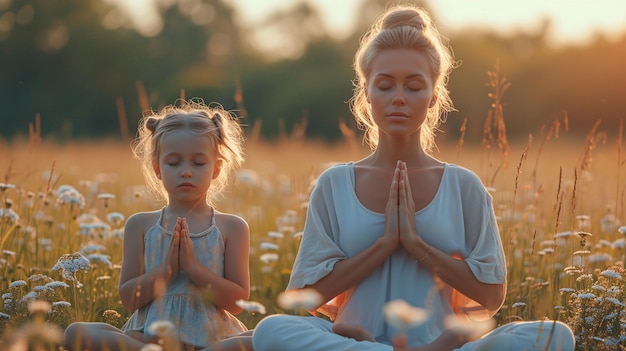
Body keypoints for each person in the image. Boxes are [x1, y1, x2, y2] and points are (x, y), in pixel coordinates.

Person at [251, 4, 575, 351]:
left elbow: (491, 295)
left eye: (414, 87)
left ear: (434, 96)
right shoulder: (335, 185)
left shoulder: (464, 187)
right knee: (272, 329)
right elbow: (301, 297)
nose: (399, 98)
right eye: (386, 85)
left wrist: (418, 247)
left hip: (438, 342)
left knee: (556, 335)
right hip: (357, 341)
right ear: (366, 94)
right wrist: (384, 245)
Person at [64, 99, 254, 351]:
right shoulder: (140, 224)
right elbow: (130, 300)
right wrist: (166, 270)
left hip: (213, 340)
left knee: (272, 333)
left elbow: (237, 303)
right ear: (157, 168)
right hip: (148, 337)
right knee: (76, 332)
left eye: (198, 163)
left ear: (216, 168)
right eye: (174, 163)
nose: (186, 171)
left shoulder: (232, 227)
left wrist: (192, 267)